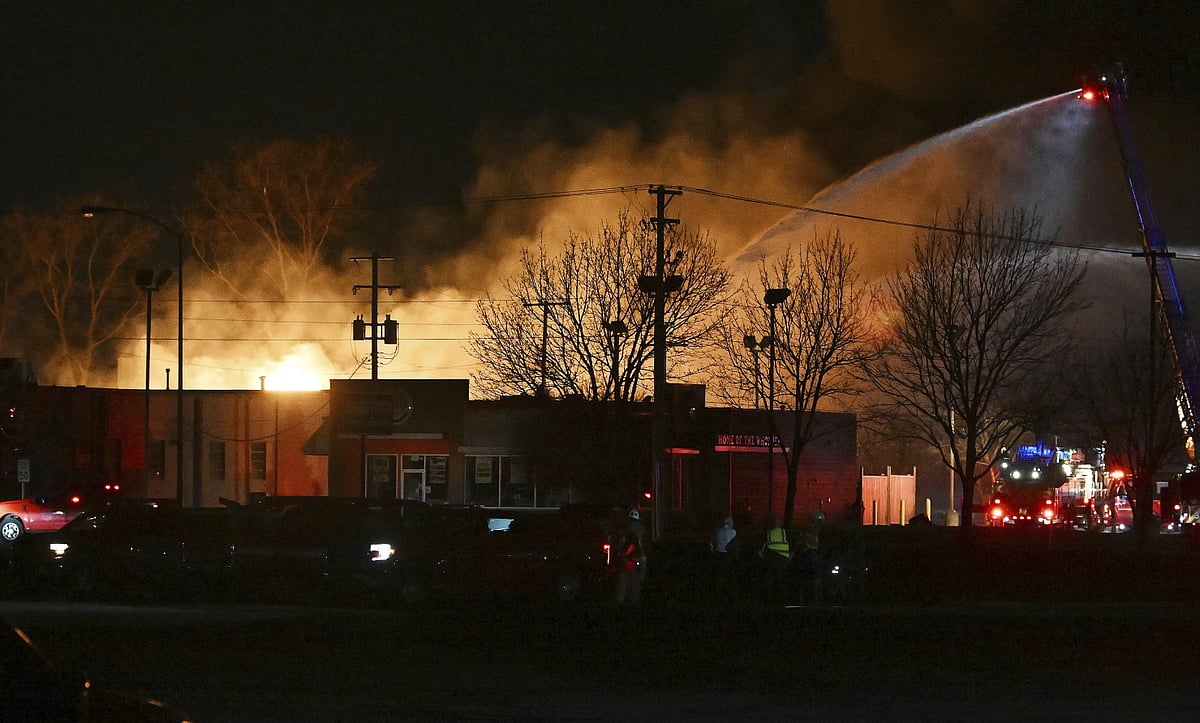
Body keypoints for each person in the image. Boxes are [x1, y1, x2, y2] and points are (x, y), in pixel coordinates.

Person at [614, 508, 647, 607]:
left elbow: (625, 545)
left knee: (624, 581)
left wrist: (622, 555)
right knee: (635, 581)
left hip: (628, 559)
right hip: (635, 559)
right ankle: (633, 602)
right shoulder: (641, 530)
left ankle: (622, 601)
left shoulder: (626, 530)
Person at [758, 516, 792, 603]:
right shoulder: (785, 532)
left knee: (770, 580)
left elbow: (762, 549)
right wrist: (789, 558)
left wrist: (762, 556)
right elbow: (792, 546)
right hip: (784, 559)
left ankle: (770, 600)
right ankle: (782, 599)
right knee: (781, 579)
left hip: (772, 558)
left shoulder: (768, 533)